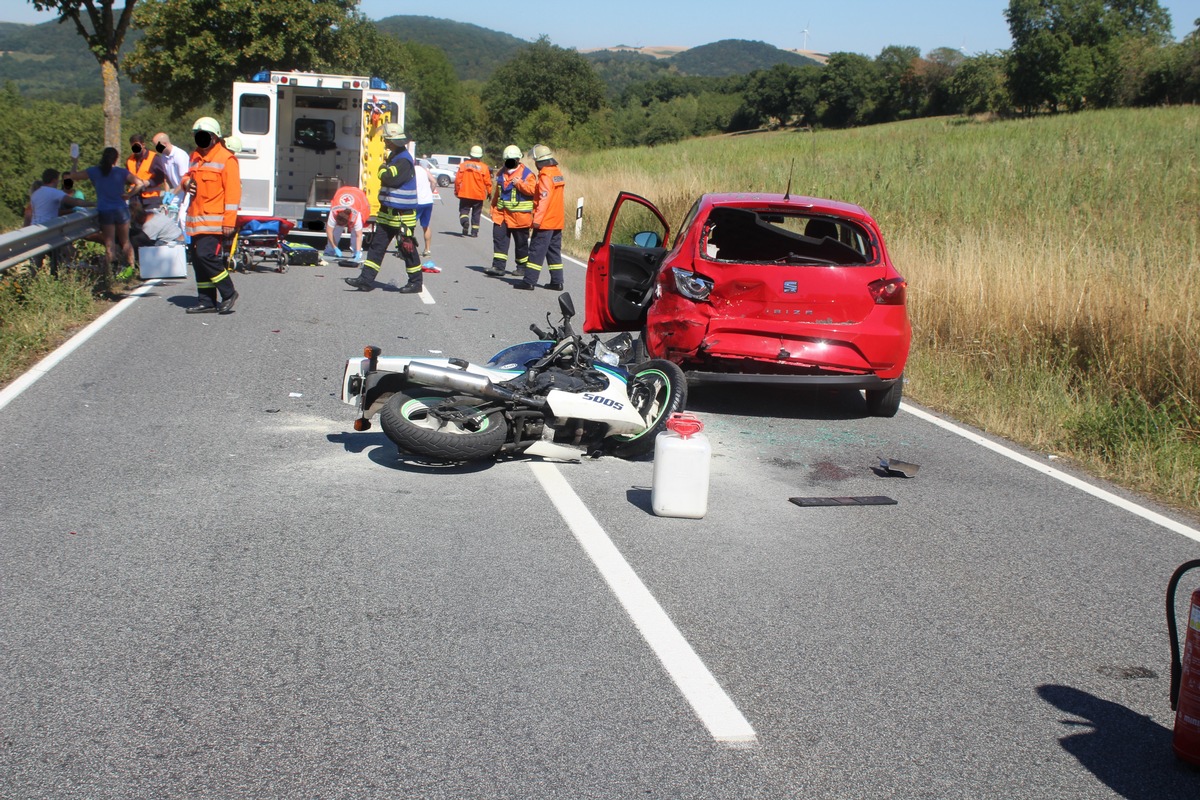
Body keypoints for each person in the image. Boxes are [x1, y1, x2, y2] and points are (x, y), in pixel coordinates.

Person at [345, 124, 422, 294]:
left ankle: (416, 283)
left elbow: (389, 178)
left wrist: (381, 170)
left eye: (386, 139)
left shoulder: (403, 160)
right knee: (376, 247)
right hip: (387, 214)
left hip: (402, 216)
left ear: (393, 141)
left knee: (407, 249)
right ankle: (365, 280)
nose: (385, 142)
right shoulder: (395, 156)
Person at [180, 116, 240, 314]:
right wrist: (186, 183)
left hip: (215, 221)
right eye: (197, 135)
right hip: (196, 220)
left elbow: (232, 193)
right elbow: (187, 176)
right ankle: (206, 300)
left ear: (214, 137)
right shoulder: (195, 156)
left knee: (206, 255)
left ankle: (229, 292)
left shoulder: (226, 159)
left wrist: (229, 221)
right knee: (198, 260)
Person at [64, 147, 143, 270]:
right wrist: (129, 194)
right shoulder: (121, 172)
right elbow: (139, 183)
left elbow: (73, 176)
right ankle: (131, 268)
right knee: (125, 241)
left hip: (105, 210)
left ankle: (112, 271)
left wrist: (74, 161)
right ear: (115, 159)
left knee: (109, 242)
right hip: (121, 209)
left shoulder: (94, 171)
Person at [516, 144, 566, 291]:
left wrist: (537, 220)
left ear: (539, 161)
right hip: (557, 221)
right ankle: (557, 282)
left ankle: (529, 281)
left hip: (545, 221)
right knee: (553, 252)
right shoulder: (557, 173)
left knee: (536, 251)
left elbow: (544, 199)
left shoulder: (545, 176)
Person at [486, 144, 536, 277]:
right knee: (499, 240)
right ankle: (498, 267)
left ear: (518, 160)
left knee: (521, 244)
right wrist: (493, 207)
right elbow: (498, 192)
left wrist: (519, 183)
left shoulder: (527, 174)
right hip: (501, 215)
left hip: (520, 217)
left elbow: (533, 191)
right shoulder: (501, 173)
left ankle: (522, 267)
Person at [152, 132, 191, 221]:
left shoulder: (179, 155)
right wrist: (167, 192)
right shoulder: (163, 157)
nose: (156, 148)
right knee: (171, 218)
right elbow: (166, 177)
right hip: (177, 191)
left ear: (165, 143)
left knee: (182, 220)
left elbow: (184, 180)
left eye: (157, 145)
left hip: (186, 191)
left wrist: (172, 194)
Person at [324, 185, 369, 260]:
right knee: (336, 230)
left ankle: (356, 253)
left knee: (355, 231)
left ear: (348, 221)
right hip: (342, 191)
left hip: (359, 196)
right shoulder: (334, 212)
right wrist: (335, 247)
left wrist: (358, 251)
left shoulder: (356, 215)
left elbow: (359, 235)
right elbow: (329, 231)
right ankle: (330, 250)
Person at [454, 145, 490, 238]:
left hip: (465, 193)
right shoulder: (484, 167)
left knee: (464, 211)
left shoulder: (463, 166)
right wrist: (489, 192)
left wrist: (457, 191)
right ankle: (474, 232)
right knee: (476, 213)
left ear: (470, 154)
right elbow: (488, 182)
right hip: (478, 195)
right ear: (480, 156)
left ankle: (465, 222)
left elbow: (458, 180)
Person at [125, 133, 168, 212]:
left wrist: (149, 182)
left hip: (151, 198)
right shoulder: (129, 160)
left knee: (151, 223)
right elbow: (127, 178)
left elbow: (162, 176)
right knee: (136, 223)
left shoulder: (154, 158)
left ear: (143, 145)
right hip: (135, 199)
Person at [413, 158, 437, 258]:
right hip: (428, 201)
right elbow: (434, 181)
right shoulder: (424, 170)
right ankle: (427, 250)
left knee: (409, 225)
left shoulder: (410, 171)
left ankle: (407, 248)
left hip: (416, 201)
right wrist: (430, 192)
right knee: (425, 226)